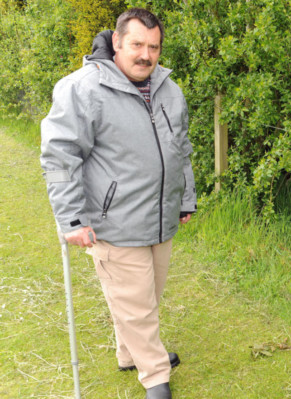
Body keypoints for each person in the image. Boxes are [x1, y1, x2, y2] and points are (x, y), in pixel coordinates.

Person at [40, 8, 196, 399]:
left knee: (146, 298)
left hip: (159, 219)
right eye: (137, 45)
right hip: (113, 223)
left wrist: (185, 198)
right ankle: (155, 376)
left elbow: (181, 149)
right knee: (138, 306)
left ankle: (130, 354)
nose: (146, 55)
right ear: (117, 43)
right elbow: (60, 155)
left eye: (154, 47)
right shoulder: (82, 88)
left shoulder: (169, 89)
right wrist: (71, 218)